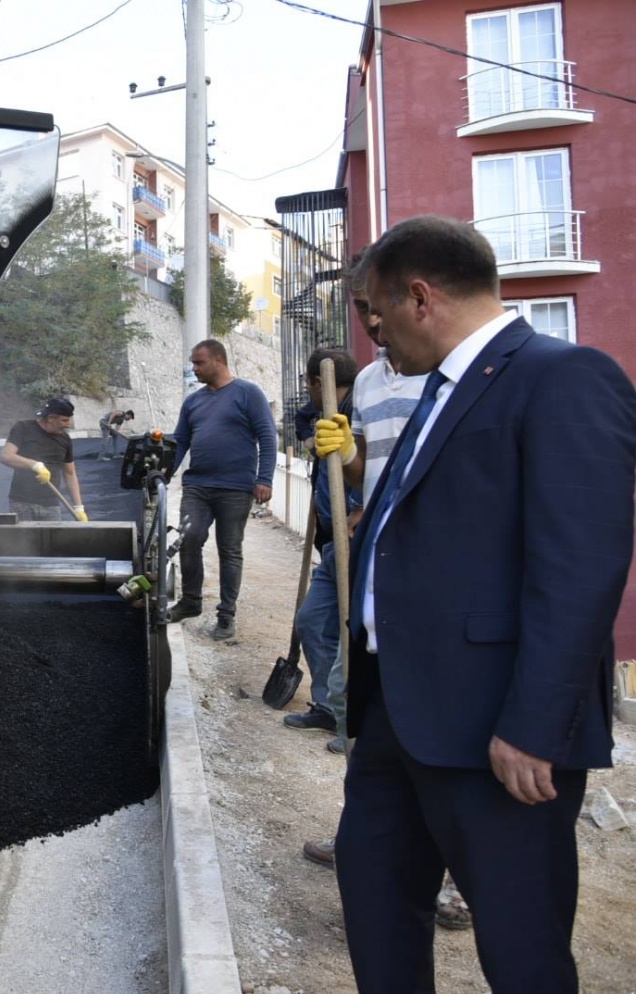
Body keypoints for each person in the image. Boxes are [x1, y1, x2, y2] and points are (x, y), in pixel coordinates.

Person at [331, 216, 636, 994]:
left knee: (520, 945)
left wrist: (534, 726)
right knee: (376, 908)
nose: (373, 337)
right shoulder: (441, 388)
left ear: (421, 297)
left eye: (376, 312)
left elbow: (579, 569)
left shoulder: (564, 377)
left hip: (496, 732)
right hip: (400, 714)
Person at [302, 260, 471, 934]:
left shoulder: (456, 376)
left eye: (376, 306)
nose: (370, 322)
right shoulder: (370, 380)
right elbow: (370, 469)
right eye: (361, 309)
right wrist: (345, 454)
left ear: (417, 298)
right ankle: (369, 838)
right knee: (362, 715)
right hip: (374, 574)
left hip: (440, 579)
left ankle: (456, 879)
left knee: (446, 736)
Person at [168, 339, 277, 639]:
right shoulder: (193, 402)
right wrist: (163, 475)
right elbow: (180, 442)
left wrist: (264, 478)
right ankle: (190, 602)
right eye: (193, 363)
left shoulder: (248, 393)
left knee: (229, 550)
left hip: (235, 488)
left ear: (218, 360)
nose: (194, 369)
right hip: (197, 486)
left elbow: (268, 437)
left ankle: (226, 615)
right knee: (189, 539)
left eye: (199, 363)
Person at [282, 348, 361, 735]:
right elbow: (300, 422)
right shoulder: (323, 411)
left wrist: (360, 508)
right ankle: (331, 710)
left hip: (357, 542)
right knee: (313, 620)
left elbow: (377, 463)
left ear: (316, 382)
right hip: (333, 542)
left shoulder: (359, 410)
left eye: (306, 384)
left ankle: (353, 719)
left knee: (355, 632)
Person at [0, 397, 87, 522]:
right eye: (64, 420)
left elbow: (70, 473)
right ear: (51, 418)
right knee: (25, 541)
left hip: (51, 505)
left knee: (52, 541)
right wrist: (35, 465)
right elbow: (6, 456)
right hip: (22, 503)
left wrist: (79, 507)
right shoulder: (23, 428)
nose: (68, 425)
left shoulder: (65, 440)